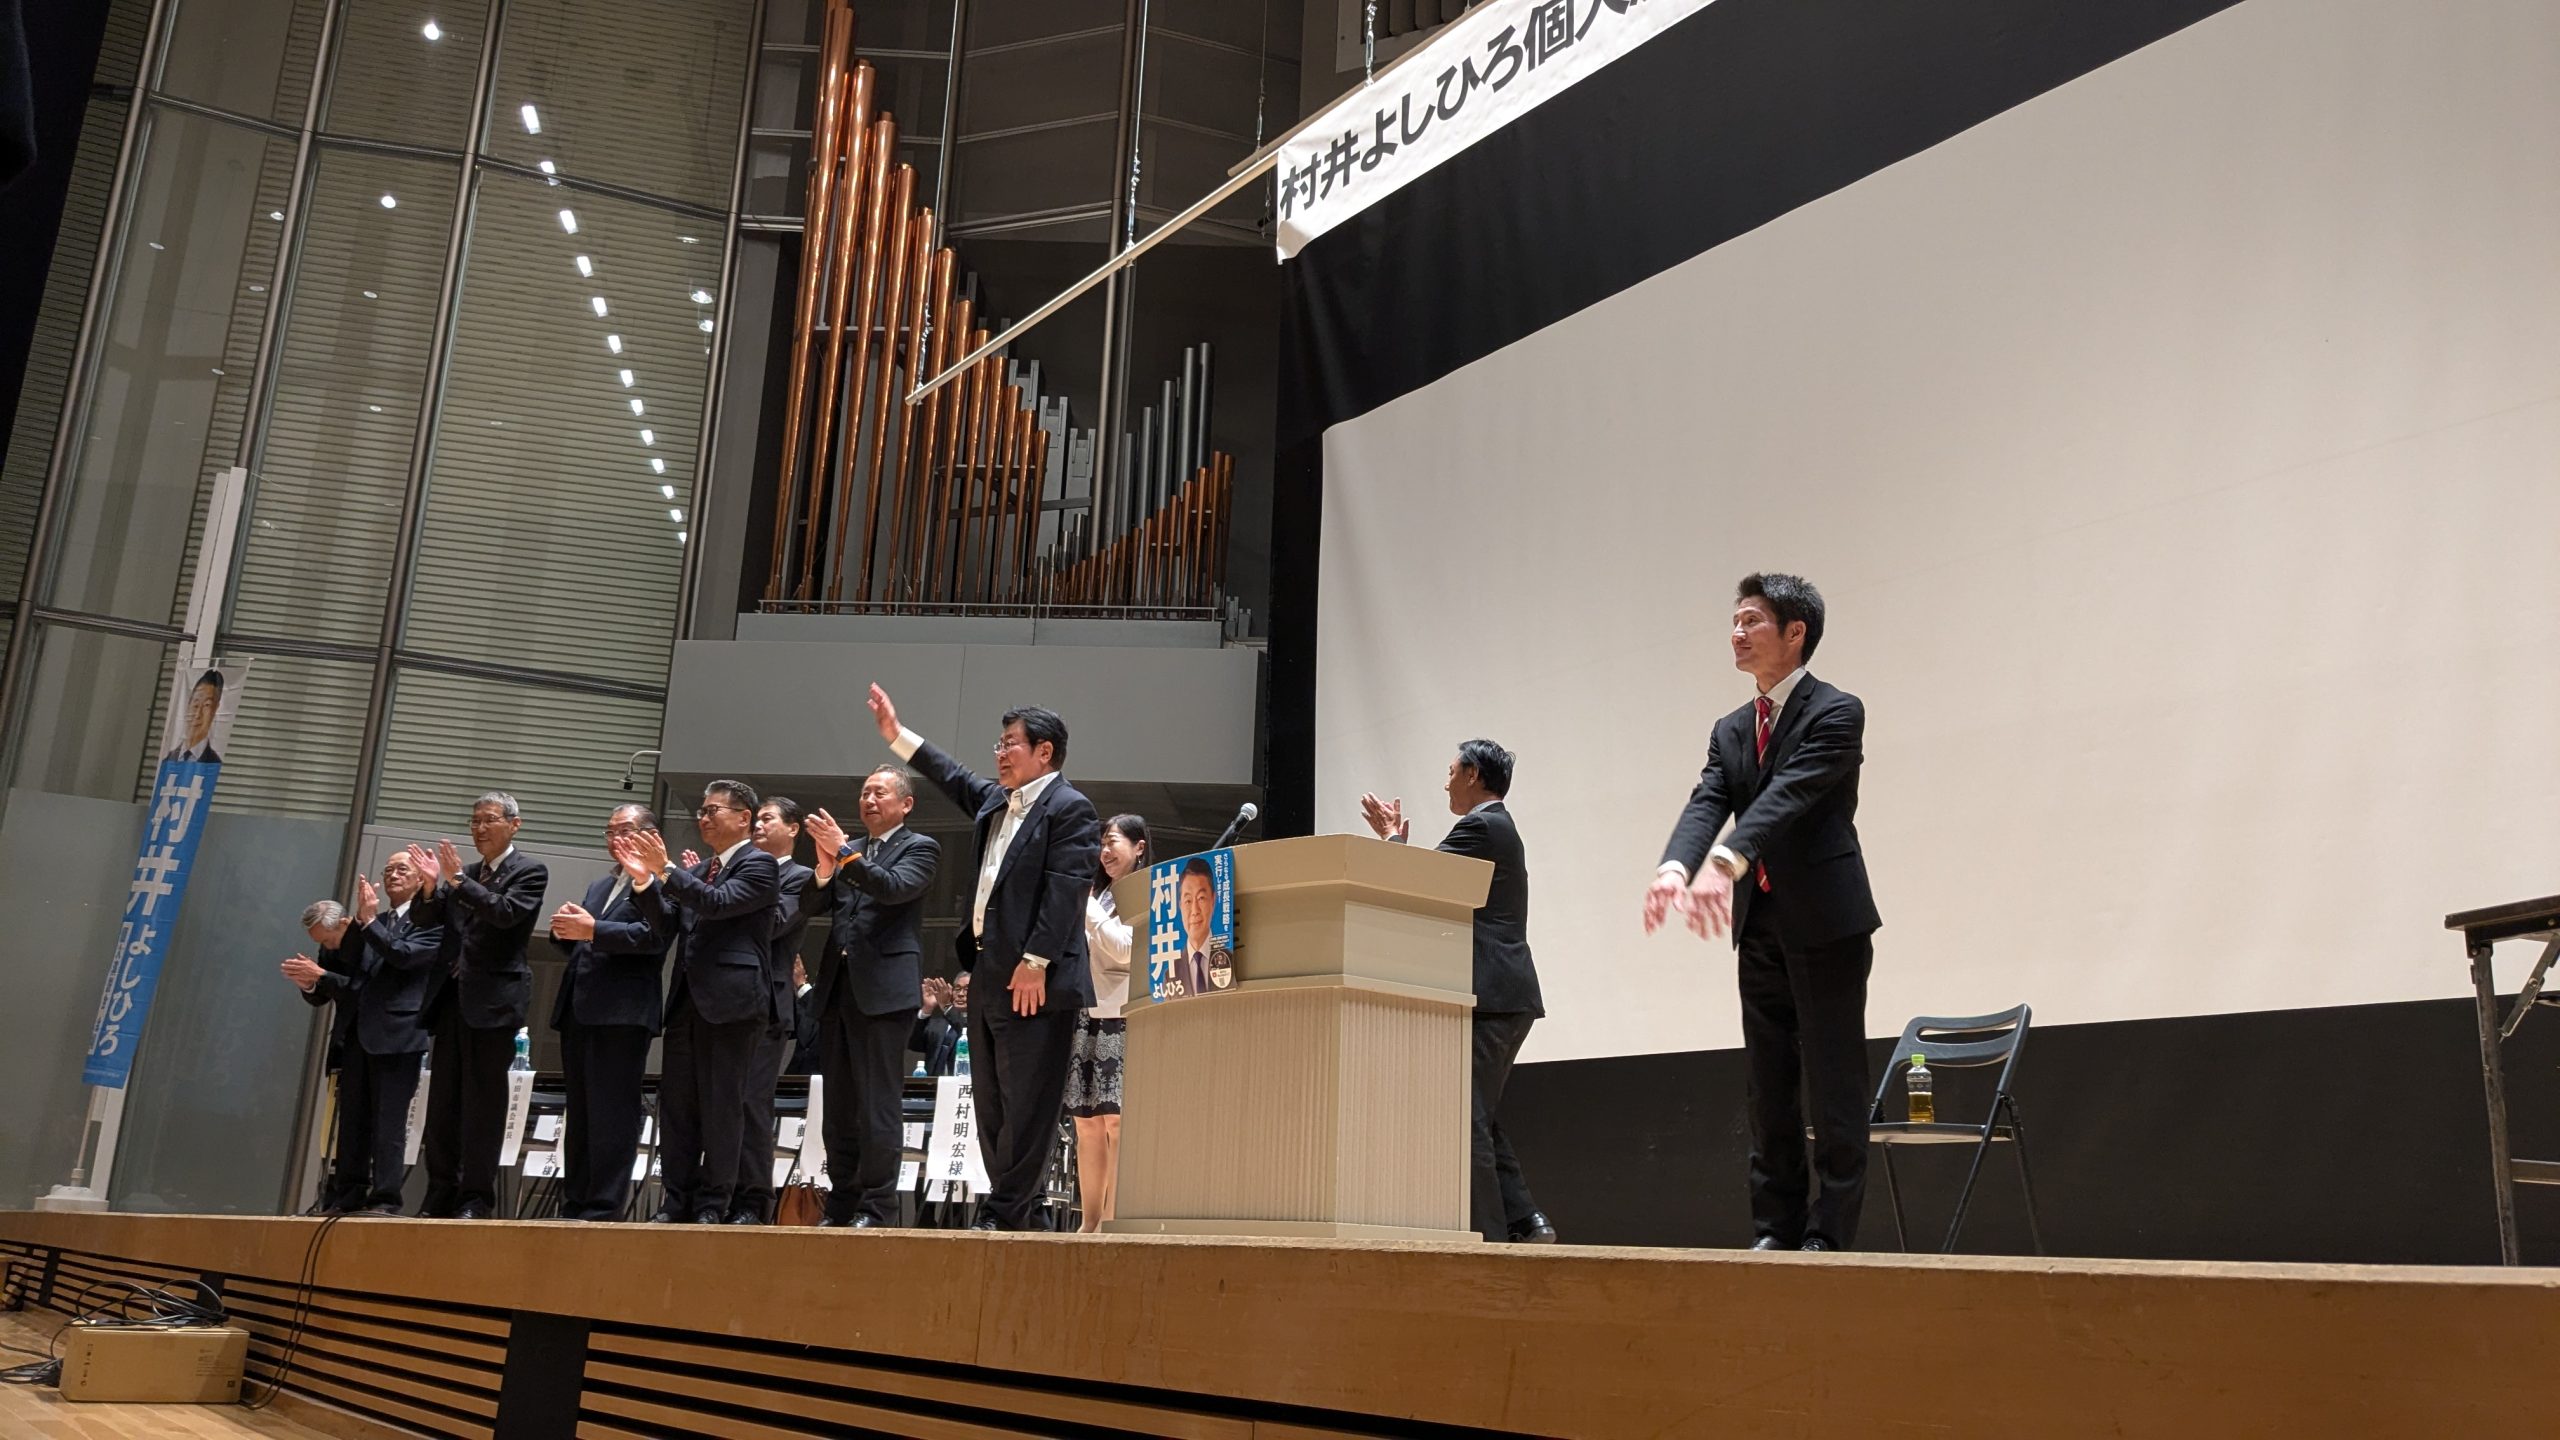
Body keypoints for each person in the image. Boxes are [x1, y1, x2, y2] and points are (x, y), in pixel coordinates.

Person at [1643, 572, 1880, 1253]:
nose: (1736, 633)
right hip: (1761, 925)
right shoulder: (1730, 729)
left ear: (1795, 632)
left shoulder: (1837, 711)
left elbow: (1789, 795)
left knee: (1833, 1084)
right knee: (1767, 1086)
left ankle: (1829, 1236)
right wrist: (1675, 867)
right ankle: (1775, 1231)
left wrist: (1726, 861)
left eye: (1751, 621)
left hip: (1827, 921)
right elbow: (1708, 800)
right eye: (1735, 621)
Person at [869, 683, 1099, 1231]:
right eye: (999, 743)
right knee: (992, 1101)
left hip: (1035, 978)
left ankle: (1005, 1210)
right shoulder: (997, 801)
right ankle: (1024, 1210)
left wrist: (1037, 960)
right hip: (990, 971)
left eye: (1010, 743)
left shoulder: (1070, 808)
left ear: (1044, 751)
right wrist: (897, 735)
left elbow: (1067, 889)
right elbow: (949, 774)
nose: (999, 753)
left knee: (1029, 1101)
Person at [1362, 739, 1555, 1244]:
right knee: (1477, 1114)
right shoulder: (1495, 827)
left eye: (1451, 772)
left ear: (1472, 775)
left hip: (1493, 994)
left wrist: (1392, 840)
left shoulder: (1482, 826)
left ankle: (1489, 1239)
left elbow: (1425, 886)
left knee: (1465, 1118)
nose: (1445, 782)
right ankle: (1524, 1220)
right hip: (1503, 994)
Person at [619, 781, 779, 1224]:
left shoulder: (759, 863)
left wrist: (668, 870)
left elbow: (718, 904)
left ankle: (713, 1203)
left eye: (713, 810)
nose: (703, 818)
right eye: (702, 811)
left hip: (733, 1004)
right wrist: (644, 881)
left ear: (744, 818)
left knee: (722, 1107)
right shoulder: (703, 868)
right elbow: (669, 922)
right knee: (678, 1108)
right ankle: (676, 1200)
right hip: (687, 1001)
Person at [801, 766, 941, 1227]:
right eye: (864, 793)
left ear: (906, 803)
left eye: (880, 793)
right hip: (837, 988)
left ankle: (877, 1206)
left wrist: (842, 853)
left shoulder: (920, 847)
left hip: (884, 991)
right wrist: (824, 869)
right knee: (839, 1106)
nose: (869, 800)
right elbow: (809, 906)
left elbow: (893, 888)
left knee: (877, 1102)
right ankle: (842, 1202)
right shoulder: (850, 850)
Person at [405, 793, 548, 1219]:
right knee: (443, 1103)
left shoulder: (529, 871)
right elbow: (426, 919)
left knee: (483, 1104)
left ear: (514, 824)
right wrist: (429, 888)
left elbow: (505, 913)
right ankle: (440, 1192)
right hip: (451, 998)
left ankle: (475, 1198)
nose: (480, 828)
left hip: (493, 1002)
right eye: (474, 821)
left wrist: (456, 882)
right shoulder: (462, 874)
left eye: (489, 820)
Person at [285, 852, 442, 1217]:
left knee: (388, 1123)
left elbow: (403, 957)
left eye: (402, 869)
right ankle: (347, 1194)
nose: (393, 875)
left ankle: (385, 1198)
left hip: (399, 1035)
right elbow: (346, 978)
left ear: (421, 878)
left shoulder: (431, 922)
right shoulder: (372, 922)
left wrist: (367, 922)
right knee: (352, 1122)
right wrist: (312, 982)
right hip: (356, 1035)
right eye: (387, 870)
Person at [546, 804, 673, 1222]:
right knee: (581, 1110)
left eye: (625, 830)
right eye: (610, 831)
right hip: (580, 1008)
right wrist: (567, 930)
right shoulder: (601, 884)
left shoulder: (662, 882)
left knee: (612, 1111)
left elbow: (653, 939)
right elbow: (588, 940)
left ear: (650, 835)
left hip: (623, 1012)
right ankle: (575, 1201)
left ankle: (603, 1205)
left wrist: (593, 930)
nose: (615, 838)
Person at [728, 796, 814, 1224]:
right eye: (755, 820)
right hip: (725, 1002)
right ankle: (717, 1194)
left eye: (767, 819)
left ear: (793, 828)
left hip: (768, 1002)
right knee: (719, 1102)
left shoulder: (801, 877)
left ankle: (753, 1199)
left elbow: (775, 924)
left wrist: (725, 903)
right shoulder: (735, 870)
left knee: (750, 1103)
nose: (758, 826)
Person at [1073, 814, 1147, 1231]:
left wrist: (1084, 906)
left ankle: (1112, 1222)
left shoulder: (1147, 892)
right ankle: (1089, 1222)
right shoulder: (1100, 895)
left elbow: (1123, 950)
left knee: (1116, 1122)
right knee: (1086, 1122)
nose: (1104, 851)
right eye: (1101, 844)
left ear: (1139, 847)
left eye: (1113, 842)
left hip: (1123, 1013)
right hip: (1085, 1012)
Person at [1166, 857, 1231, 998]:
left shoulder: (1230, 961)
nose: (1195, 911)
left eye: (1201, 898)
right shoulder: (1170, 975)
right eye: (1188, 901)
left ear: (1213, 900)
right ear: (1180, 906)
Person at [911, 972, 967, 1076]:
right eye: (957, 989)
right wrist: (926, 1009)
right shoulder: (938, 1024)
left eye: (967, 989)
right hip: (933, 1084)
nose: (961, 994)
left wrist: (946, 1006)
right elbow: (914, 1044)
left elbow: (966, 1030)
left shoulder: (981, 1024)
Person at [163, 670, 224, 764]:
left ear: (216, 709)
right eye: (195, 704)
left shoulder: (214, 764)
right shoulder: (167, 760)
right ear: (188, 704)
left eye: (207, 705)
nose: (197, 714)